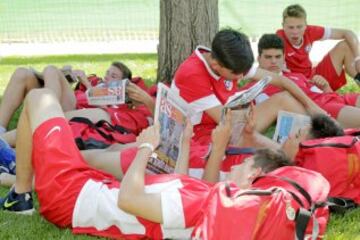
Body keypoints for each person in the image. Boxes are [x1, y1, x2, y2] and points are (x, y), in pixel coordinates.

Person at [0, 88, 292, 239]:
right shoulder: (213, 207)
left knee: (41, 98)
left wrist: (145, 147)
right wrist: (186, 141)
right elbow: (180, 187)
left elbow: (129, 198)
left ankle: (21, 195)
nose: (237, 166)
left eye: (243, 166)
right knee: (49, 112)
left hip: (73, 197)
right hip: (88, 189)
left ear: (252, 176)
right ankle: (21, 188)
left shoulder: (203, 204)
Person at [172, 28, 325, 147]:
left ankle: (327, 135)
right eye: (237, 74)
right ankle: (311, 146)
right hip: (203, 135)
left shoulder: (230, 58)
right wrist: (249, 113)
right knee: (277, 153)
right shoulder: (192, 74)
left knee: (284, 99)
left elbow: (280, 80)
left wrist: (312, 106)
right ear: (216, 66)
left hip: (229, 122)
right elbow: (226, 120)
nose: (240, 78)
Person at [0, 63, 153, 146]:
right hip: (64, 101)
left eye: (113, 76)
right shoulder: (95, 82)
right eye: (107, 73)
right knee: (22, 73)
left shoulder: (122, 100)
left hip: (74, 111)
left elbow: (98, 103)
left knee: (51, 70)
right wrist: (70, 77)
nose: (107, 77)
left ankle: (41, 119)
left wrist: (86, 83)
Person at [253, 33, 360, 128]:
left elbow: (328, 95)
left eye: (277, 56)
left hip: (337, 99)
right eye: (268, 57)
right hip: (321, 109)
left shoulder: (297, 76)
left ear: (283, 57)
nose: (273, 61)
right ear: (258, 59)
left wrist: (326, 87)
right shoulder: (253, 89)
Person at [277, 4, 360, 91]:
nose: (295, 32)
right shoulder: (278, 40)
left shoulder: (310, 31)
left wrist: (358, 59)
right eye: (291, 27)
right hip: (298, 85)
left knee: (345, 46)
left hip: (316, 77)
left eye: (299, 27)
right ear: (283, 26)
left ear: (305, 25)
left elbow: (348, 33)